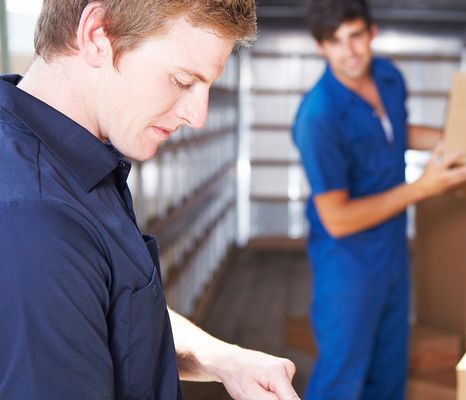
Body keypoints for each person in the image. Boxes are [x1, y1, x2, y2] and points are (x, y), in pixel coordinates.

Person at [0, 1, 299, 399]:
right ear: (96, 35)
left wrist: (224, 359)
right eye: (181, 80)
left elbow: (107, 311)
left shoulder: (73, 159)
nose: (198, 116)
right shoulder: (38, 221)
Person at [291, 0, 466, 398]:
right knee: (342, 379)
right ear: (320, 47)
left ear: (372, 32)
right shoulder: (318, 117)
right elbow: (337, 219)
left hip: (393, 251)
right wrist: (424, 188)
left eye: (356, 36)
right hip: (348, 264)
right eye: (335, 41)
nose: (350, 51)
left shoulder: (389, 76)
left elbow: (396, 130)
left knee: (388, 374)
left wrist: (460, 144)